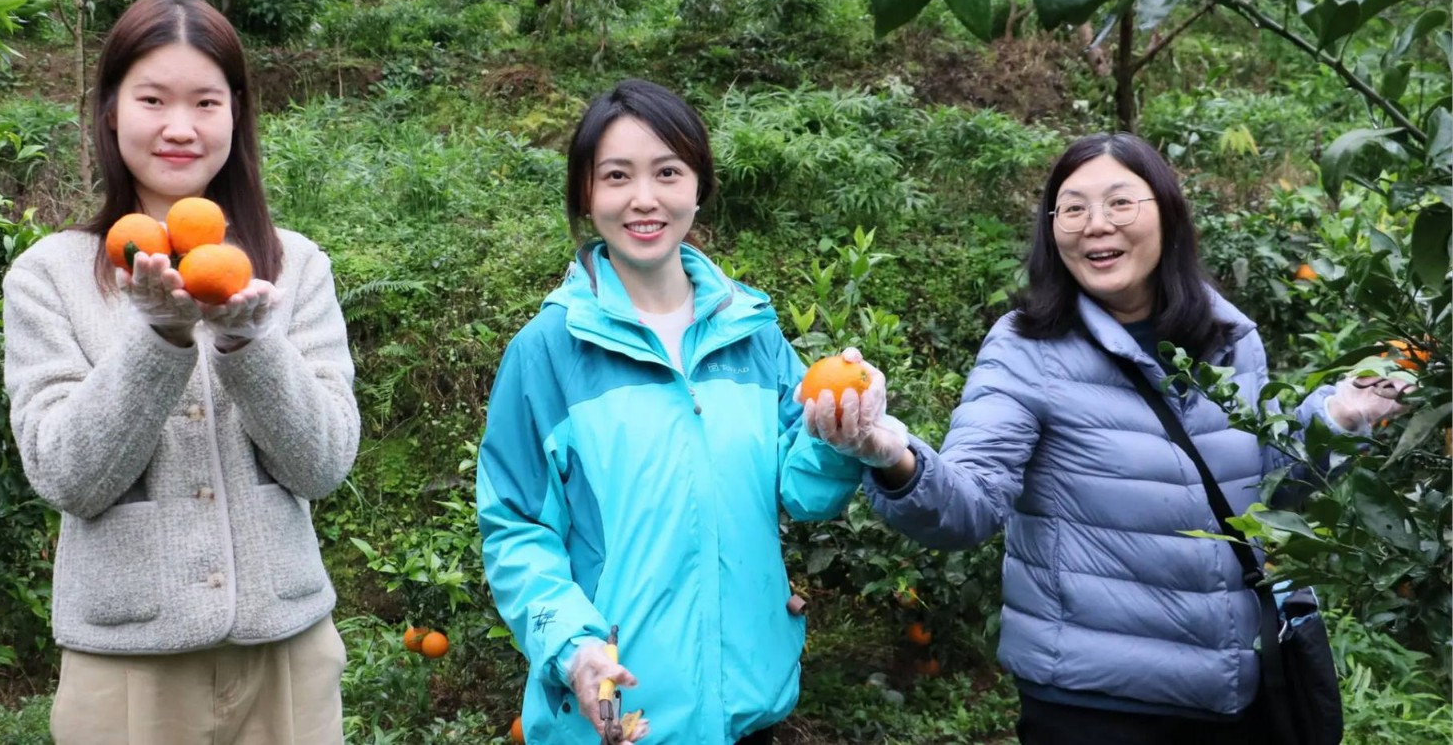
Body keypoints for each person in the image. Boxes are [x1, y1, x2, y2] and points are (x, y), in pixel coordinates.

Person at [802, 132, 1410, 745]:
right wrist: (893, 455)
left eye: (1120, 202)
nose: (1096, 224)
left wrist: (1339, 417)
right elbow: (970, 506)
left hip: (1238, 693)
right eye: (1073, 208)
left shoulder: (1229, 338)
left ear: (1167, 213)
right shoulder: (1026, 348)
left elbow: (1265, 496)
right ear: (1052, 229)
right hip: (1096, 705)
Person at [475, 80, 894, 745]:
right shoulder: (548, 351)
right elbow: (517, 527)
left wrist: (840, 433)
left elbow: (804, 492)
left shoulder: (751, 332)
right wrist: (574, 648)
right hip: (617, 716)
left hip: (749, 704)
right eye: (617, 176)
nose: (644, 198)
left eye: (667, 172)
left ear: (699, 186)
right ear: (585, 193)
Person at [3, 0, 360, 745]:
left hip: (288, 660)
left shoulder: (296, 267)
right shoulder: (50, 275)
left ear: (236, 113)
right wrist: (159, 338)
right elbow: (68, 476)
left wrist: (249, 345)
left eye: (205, 101)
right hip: (128, 671)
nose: (179, 126)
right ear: (110, 110)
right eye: (152, 99)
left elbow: (324, 464)